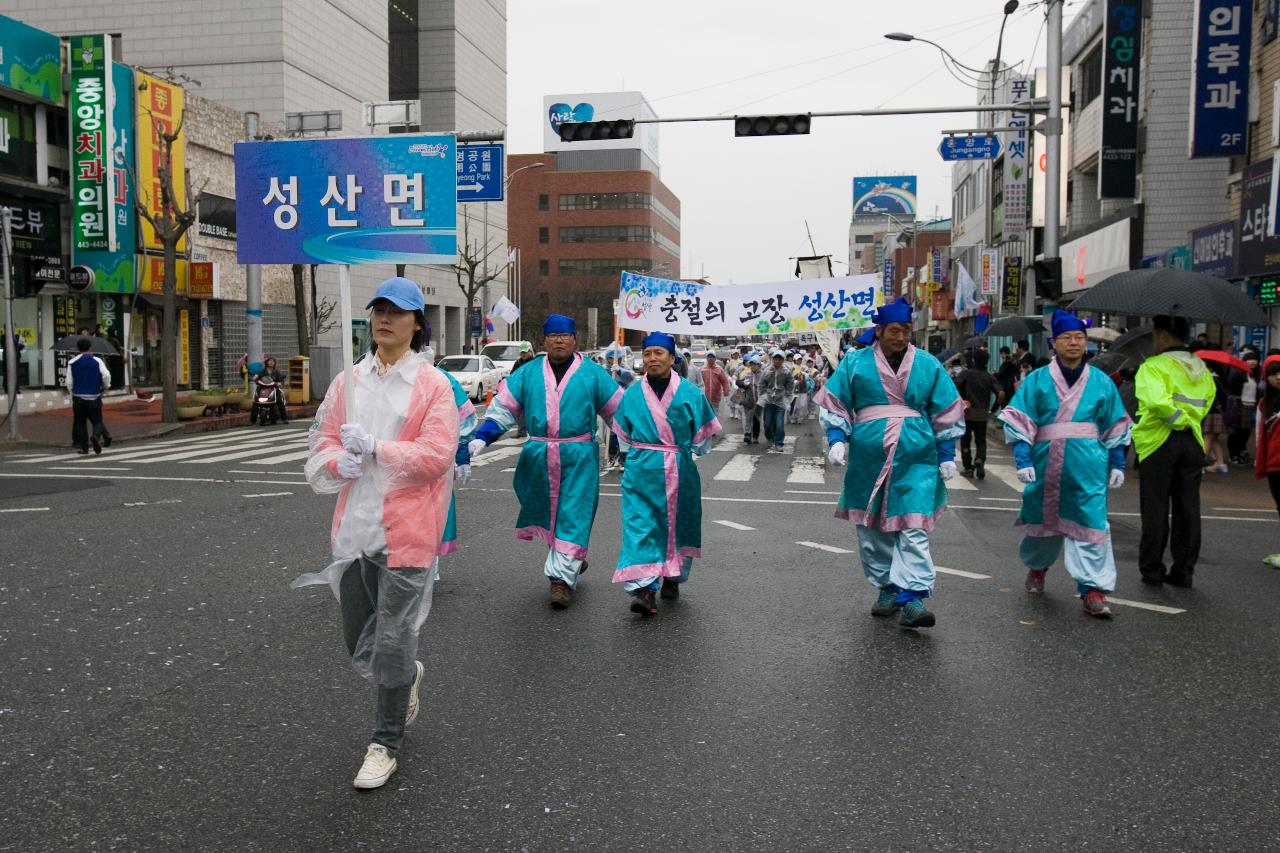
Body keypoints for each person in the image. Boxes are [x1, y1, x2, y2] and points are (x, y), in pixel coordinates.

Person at [294, 277, 460, 790]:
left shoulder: (433, 386)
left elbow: (437, 455)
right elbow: (320, 443)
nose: (385, 318)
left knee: (389, 639)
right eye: (378, 309)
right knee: (358, 640)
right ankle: (405, 674)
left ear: (417, 324)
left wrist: (377, 449)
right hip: (354, 529)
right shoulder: (349, 381)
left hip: (408, 533)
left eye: (398, 311)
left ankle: (384, 742)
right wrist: (335, 460)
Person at [815, 297, 965, 629]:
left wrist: (946, 453)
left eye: (906, 331)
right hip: (869, 458)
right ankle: (886, 587)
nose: (900, 337)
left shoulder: (928, 364)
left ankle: (912, 597)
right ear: (879, 331)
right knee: (872, 529)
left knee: (913, 527)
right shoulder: (854, 363)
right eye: (894, 331)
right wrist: (837, 439)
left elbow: (945, 409)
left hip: (917, 457)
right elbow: (836, 403)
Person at [467, 314, 622, 608]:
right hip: (539, 455)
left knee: (573, 513)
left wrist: (638, 443)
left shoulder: (593, 373)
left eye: (565, 335)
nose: (559, 340)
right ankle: (570, 558)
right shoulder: (527, 373)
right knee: (548, 513)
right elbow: (504, 408)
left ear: (574, 339)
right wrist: (482, 437)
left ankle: (561, 580)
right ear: (545, 341)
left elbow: (619, 411)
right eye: (553, 335)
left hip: (579, 456)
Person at [998, 310, 1133, 619]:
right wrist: (1022, 457)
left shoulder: (1101, 382)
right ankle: (1038, 566)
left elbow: (1115, 425)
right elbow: (1021, 419)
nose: (1074, 343)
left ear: (1086, 343)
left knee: (1091, 524)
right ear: (1053, 344)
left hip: (1088, 466)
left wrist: (1117, 463)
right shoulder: (1037, 380)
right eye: (1066, 338)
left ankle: (1093, 589)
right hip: (1046, 462)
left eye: (1079, 338)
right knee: (1040, 520)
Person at [610, 333, 721, 615]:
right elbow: (623, 433)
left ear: (672, 358)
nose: (652, 359)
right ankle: (645, 589)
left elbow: (704, 436)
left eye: (659, 353)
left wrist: (684, 452)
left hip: (678, 468)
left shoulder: (690, 393)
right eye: (647, 354)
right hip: (639, 472)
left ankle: (673, 576)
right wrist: (630, 458)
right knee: (640, 526)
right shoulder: (632, 394)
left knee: (678, 524)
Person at [1134, 315, 1216, 588]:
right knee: (1188, 508)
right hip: (1192, 442)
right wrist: (1188, 421)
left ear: (1164, 336)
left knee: (1155, 508)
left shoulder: (1153, 366)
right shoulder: (1201, 368)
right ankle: (1183, 572)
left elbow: (1156, 401)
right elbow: (1206, 402)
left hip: (1159, 441)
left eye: (1156, 335)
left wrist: (1177, 419)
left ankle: (1152, 571)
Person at [953, 353, 1002, 479]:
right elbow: (1001, 394)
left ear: (973, 359)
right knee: (981, 440)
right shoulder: (989, 377)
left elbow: (953, 386)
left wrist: (960, 401)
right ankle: (980, 459)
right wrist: (993, 409)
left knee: (965, 440)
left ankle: (968, 468)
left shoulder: (965, 374)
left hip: (967, 412)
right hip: (982, 414)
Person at [66, 337, 113, 455]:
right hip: (94, 396)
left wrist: (72, 393)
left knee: (80, 423)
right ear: (90, 348)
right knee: (97, 421)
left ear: (78, 348)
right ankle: (96, 436)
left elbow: (69, 381)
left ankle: (84, 448)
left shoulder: (72, 362)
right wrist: (106, 387)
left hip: (78, 397)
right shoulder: (97, 361)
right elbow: (106, 375)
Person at [1254, 357, 1280, 567]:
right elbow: (1260, 434)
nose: (1278, 377)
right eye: (1273, 373)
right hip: (1274, 463)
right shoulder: (1265, 403)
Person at [759, 349, 795, 452]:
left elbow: (790, 385)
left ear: (782, 360)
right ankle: (770, 438)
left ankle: (779, 442)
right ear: (772, 359)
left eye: (780, 359)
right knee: (767, 424)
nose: (777, 361)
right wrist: (763, 396)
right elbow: (761, 384)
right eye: (775, 359)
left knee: (779, 424)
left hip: (780, 401)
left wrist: (787, 399)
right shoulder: (766, 370)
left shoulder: (786, 371)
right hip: (769, 401)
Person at [1229, 350, 1259, 465]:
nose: (1253, 362)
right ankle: (1233, 455)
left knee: (1246, 432)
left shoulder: (1254, 375)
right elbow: (1233, 389)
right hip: (1240, 405)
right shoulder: (1238, 373)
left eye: (1255, 359)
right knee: (1237, 431)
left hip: (1251, 406)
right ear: (1244, 361)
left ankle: (1241, 452)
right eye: (1249, 359)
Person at [735, 354, 763, 444]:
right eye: (751, 364)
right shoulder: (747, 374)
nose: (753, 366)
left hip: (759, 402)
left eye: (755, 364)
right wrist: (743, 384)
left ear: (759, 365)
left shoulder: (763, 376)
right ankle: (747, 434)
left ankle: (755, 436)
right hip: (748, 401)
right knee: (748, 418)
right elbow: (738, 381)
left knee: (756, 419)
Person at [253, 356, 289, 424]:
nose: (271, 363)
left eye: (273, 361)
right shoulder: (263, 371)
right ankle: (252, 420)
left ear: (275, 363)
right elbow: (257, 376)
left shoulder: (276, 372)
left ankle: (284, 418)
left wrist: (280, 383)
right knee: (255, 403)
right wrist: (255, 377)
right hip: (263, 389)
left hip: (273, 388)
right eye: (270, 361)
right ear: (267, 362)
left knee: (280, 402)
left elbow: (281, 380)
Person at [699, 351, 733, 416]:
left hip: (715, 397)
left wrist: (726, 392)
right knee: (706, 416)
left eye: (712, 357)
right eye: (709, 357)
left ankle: (714, 426)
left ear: (715, 358)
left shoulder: (719, 369)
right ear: (707, 358)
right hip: (705, 397)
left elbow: (725, 381)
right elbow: (700, 383)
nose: (710, 359)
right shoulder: (702, 369)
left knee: (714, 415)